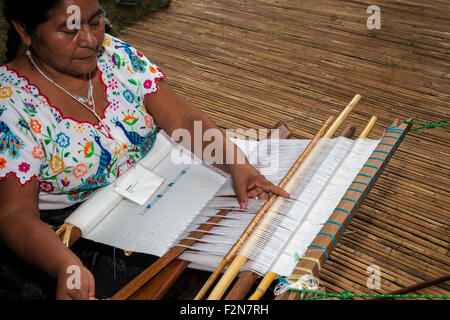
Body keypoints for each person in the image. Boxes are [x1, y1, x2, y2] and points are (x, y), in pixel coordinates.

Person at [0, 0, 289, 300]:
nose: (90, 40)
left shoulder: (115, 56)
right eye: (69, 29)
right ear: (25, 31)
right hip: (83, 233)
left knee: (259, 259)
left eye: (95, 22)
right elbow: (15, 213)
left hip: (158, 190)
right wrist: (65, 265)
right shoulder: (10, 105)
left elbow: (181, 118)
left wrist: (235, 163)